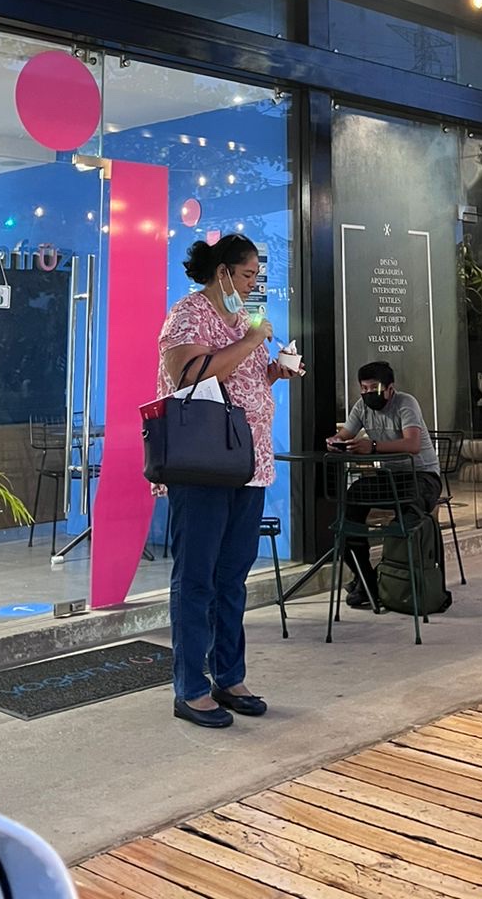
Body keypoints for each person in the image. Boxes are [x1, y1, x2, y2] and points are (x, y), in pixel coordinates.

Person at [158, 233, 301, 729]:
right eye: (247, 275)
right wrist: (252, 341)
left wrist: (275, 372)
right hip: (203, 466)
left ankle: (228, 675)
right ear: (222, 272)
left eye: (257, 276)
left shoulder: (241, 321)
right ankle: (190, 688)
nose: (253, 284)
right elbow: (187, 375)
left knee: (232, 576)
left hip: (248, 466)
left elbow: (240, 378)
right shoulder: (188, 314)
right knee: (196, 577)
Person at [326, 362, 442, 608]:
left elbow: (412, 445)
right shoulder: (361, 407)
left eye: (374, 388)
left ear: (390, 389)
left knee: (407, 522)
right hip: (389, 478)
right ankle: (366, 579)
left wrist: (373, 446)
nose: (368, 393)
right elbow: (345, 434)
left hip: (422, 476)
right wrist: (335, 441)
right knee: (349, 509)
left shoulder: (405, 403)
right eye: (364, 388)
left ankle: (392, 579)